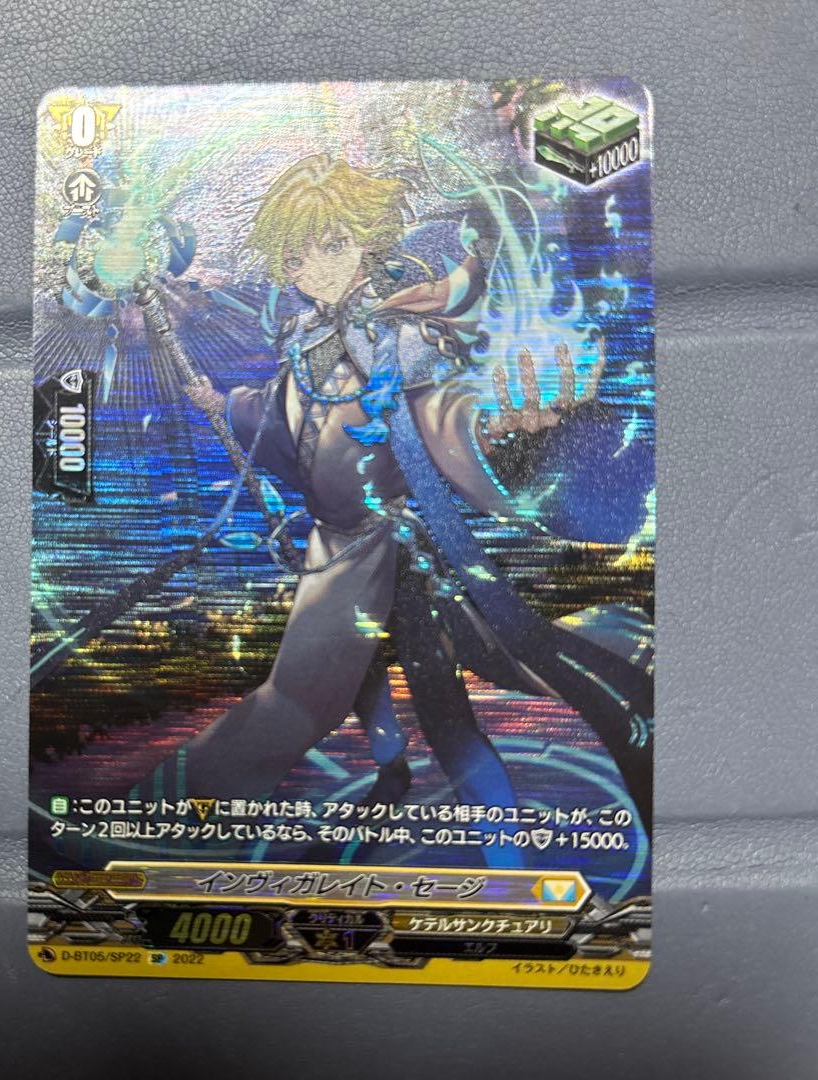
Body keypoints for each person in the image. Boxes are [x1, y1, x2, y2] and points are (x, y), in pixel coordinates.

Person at [138, 154, 653, 844]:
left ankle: (161, 811)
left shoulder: (397, 336)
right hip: (343, 550)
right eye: (296, 254)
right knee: (417, 710)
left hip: (399, 555)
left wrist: (503, 424)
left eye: (332, 244)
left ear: (366, 241)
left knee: (404, 701)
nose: (312, 267)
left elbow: (444, 411)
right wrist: (223, 405)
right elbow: (284, 416)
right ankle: (404, 785)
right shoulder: (307, 338)